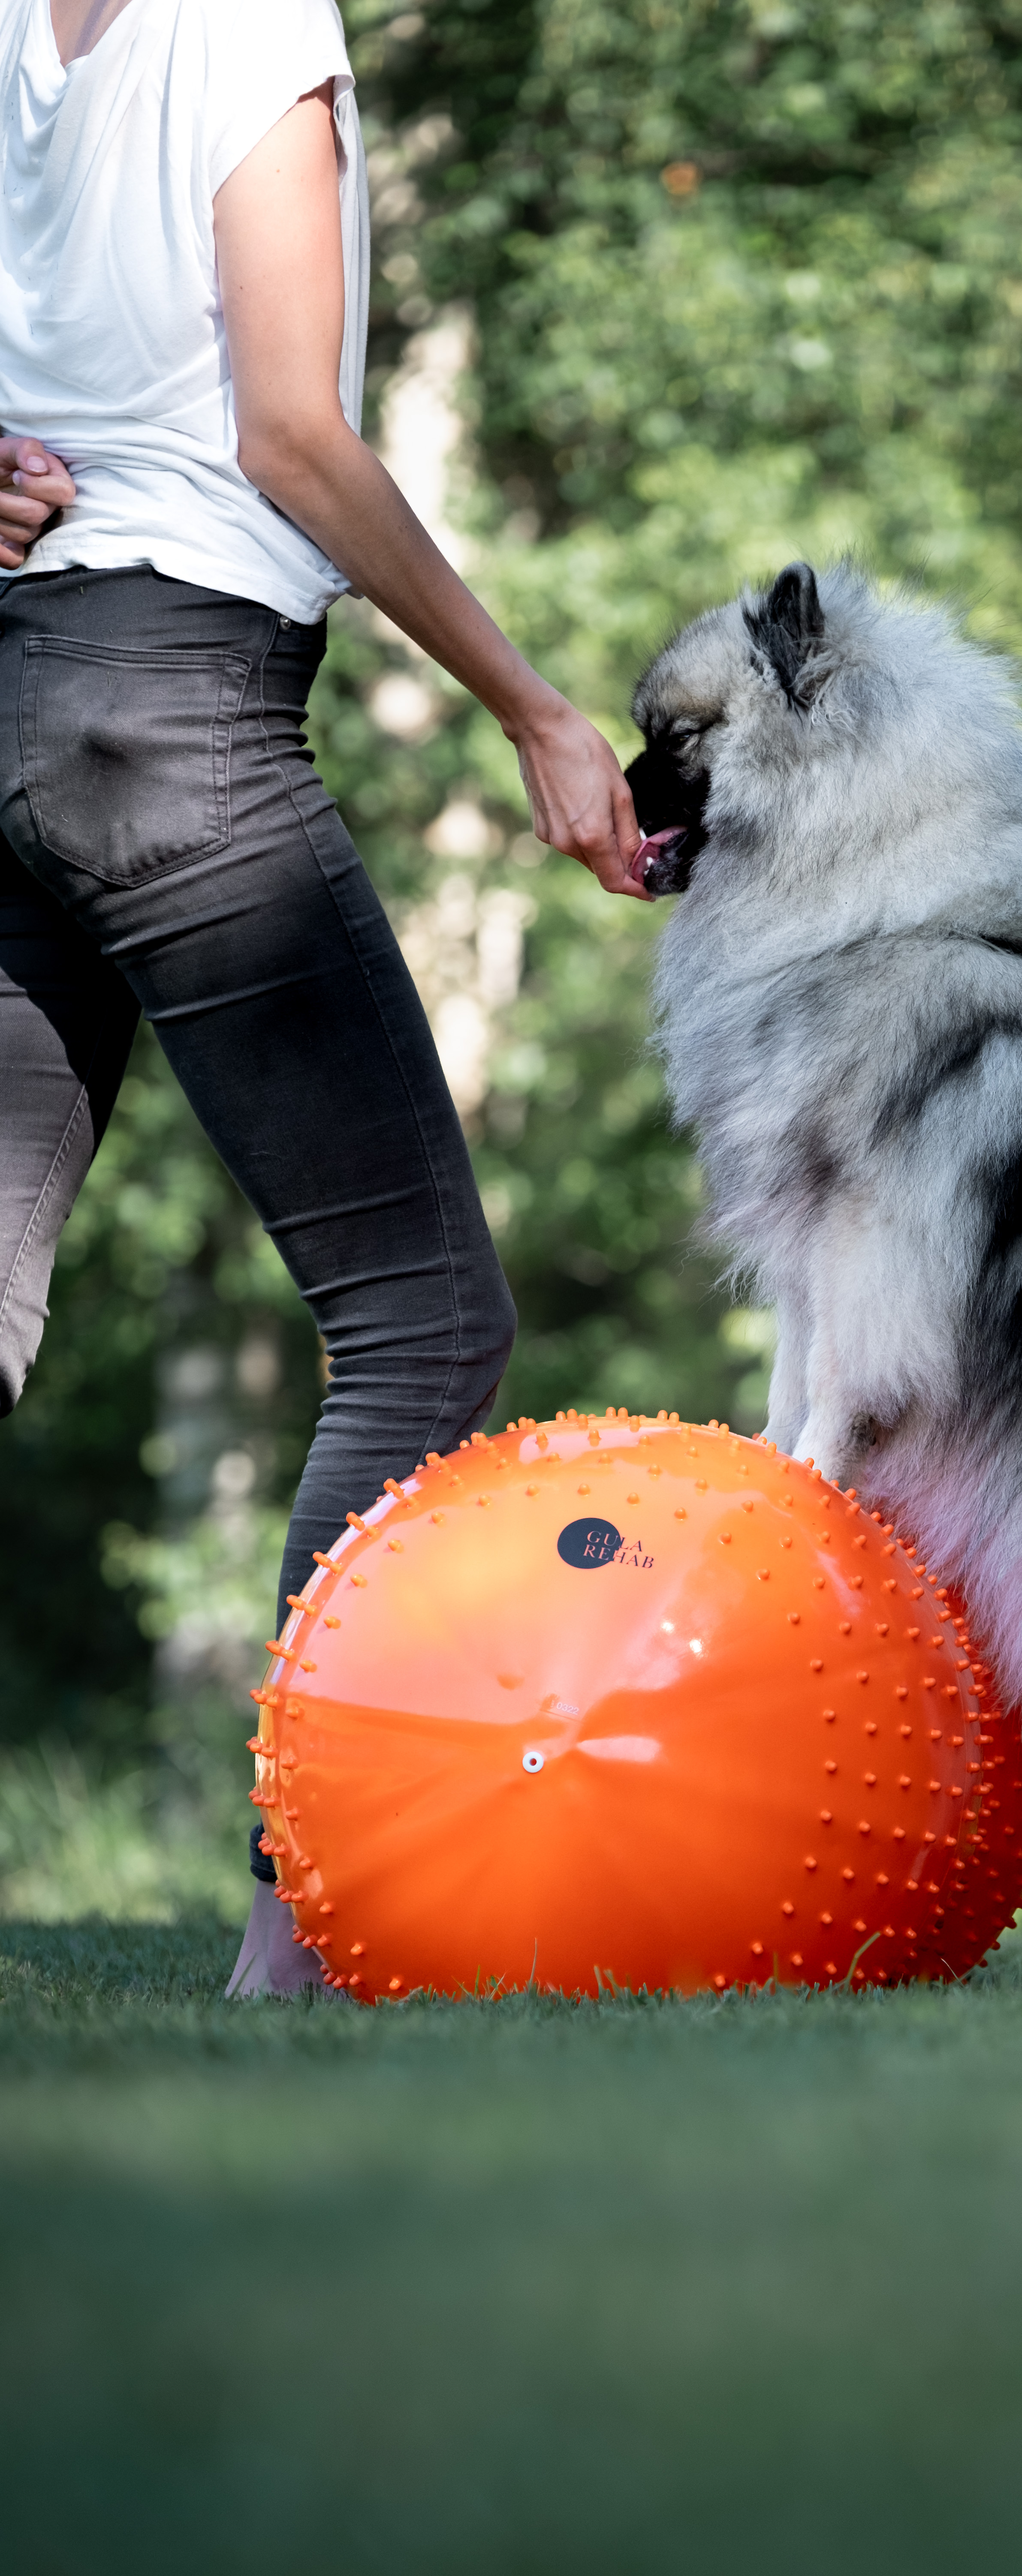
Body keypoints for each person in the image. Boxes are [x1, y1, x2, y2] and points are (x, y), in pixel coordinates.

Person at [0, 0, 645, 1995]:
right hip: (172, 711)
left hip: (13, 702)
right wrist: (534, 706)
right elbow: (290, 432)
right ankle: (309, 1926)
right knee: (426, 1322)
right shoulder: (252, 10)